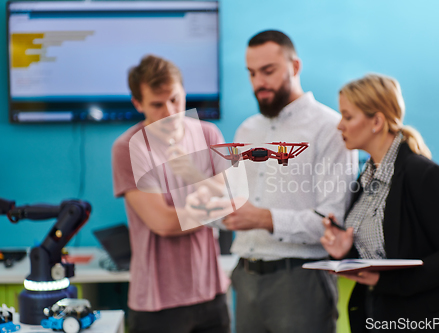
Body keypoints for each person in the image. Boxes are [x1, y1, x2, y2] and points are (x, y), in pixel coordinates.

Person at [321, 74, 439, 332]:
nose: (339, 125)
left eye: (348, 116)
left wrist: (386, 282)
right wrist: (345, 250)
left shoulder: (425, 175)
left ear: (376, 121)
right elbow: (381, 253)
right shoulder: (365, 181)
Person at [223, 30, 358, 333]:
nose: (259, 82)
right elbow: (232, 209)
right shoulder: (246, 130)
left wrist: (264, 218)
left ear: (294, 67)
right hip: (244, 279)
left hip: (300, 281)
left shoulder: (330, 128)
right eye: (252, 73)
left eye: (268, 71)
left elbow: (331, 221)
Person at [111, 54, 230, 333]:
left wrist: (193, 176)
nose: (170, 111)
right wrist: (216, 209)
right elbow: (164, 223)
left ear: (185, 93)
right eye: (157, 104)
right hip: (157, 303)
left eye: (175, 99)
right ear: (137, 104)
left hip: (212, 292)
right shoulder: (129, 148)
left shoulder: (209, 134)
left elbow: (230, 202)